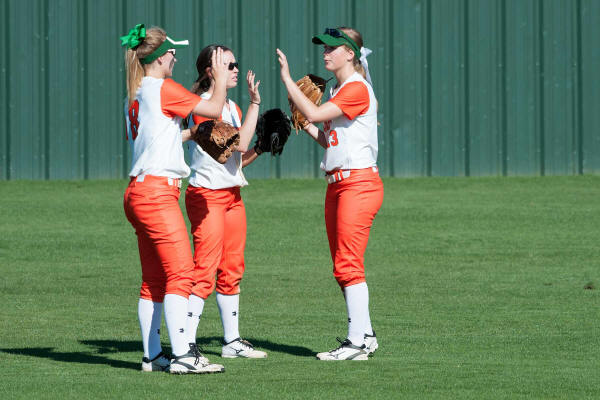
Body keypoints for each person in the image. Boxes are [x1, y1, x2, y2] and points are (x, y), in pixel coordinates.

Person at [120, 23, 229, 374]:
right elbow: (214, 107)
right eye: (171, 52)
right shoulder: (162, 87)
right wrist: (220, 77)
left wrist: (190, 133)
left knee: (153, 280)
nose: (175, 57)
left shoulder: (136, 92)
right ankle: (183, 355)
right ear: (157, 57)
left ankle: (153, 356)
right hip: (156, 193)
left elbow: (157, 136)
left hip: (138, 191)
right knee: (182, 273)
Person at [277, 27, 383, 361]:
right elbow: (330, 139)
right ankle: (365, 336)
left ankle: (356, 344)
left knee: (348, 265)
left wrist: (287, 79)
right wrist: (304, 124)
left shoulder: (356, 88)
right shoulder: (338, 88)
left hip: (358, 184)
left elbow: (315, 111)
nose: (325, 53)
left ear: (350, 53)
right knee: (342, 267)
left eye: (332, 48)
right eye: (324, 48)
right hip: (338, 184)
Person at [184, 44, 267, 359]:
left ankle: (231, 341)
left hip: (232, 195)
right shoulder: (203, 105)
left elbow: (237, 159)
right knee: (204, 269)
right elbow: (240, 142)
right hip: (206, 196)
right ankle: (185, 343)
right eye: (228, 65)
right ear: (211, 71)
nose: (235, 70)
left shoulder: (231, 107)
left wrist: (262, 146)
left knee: (232, 268)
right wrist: (256, 105)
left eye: (235, 64)